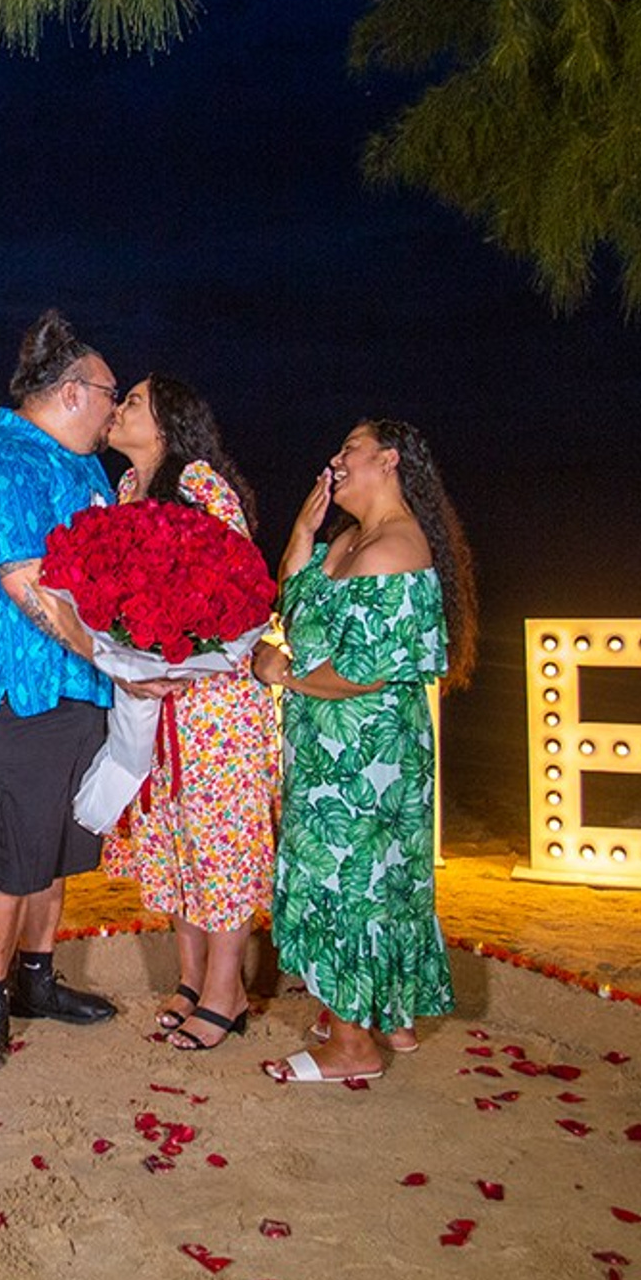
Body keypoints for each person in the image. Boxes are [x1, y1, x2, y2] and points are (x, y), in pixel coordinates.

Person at [253, 419, 478, 1084]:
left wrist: (282, 675)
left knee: (352, 884)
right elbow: (295, 600)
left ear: (389, 459)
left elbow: (366, 671)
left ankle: (353, 1046)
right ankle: (380, 1013)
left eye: (349, 448)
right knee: (364, 881)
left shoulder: (394, 551)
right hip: (330, 747)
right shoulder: (351, 541)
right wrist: (301, 527)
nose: (335, 458)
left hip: (361, 759)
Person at [0, 310, 125, 1071]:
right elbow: (34, 590)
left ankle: (38, 981)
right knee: (12, 854)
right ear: (76, 391)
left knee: (55, 851)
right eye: (112, 393)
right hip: (20, 691)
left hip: (83, 686)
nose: (117, 409)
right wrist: (119, 658)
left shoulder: (85, 466)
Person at [100, 376, 282, 1051]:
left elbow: (234, 586)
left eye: (136, 403)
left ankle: (225, 990)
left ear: (169, 424)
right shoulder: (123, 494)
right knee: (173, 836)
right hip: (156, 698)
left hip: (212, 702)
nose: (119, 411)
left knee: (218, 842)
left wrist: (178, 654)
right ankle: (192, 977)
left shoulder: (200, 484)